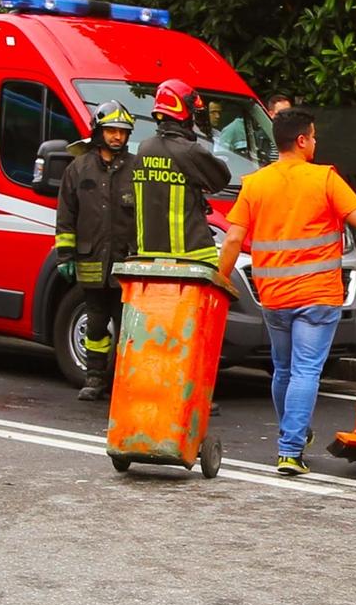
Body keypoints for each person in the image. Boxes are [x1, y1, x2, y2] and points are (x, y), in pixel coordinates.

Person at [215, 107, 356, 476]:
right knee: (305, 372)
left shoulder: (255, 183)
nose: (315, 142)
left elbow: (233, 237)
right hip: (317, 295)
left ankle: (292, 435)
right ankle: (290, 449)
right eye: (312, 136)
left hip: (273, 296)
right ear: (301, 140)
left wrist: (221, 280)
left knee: (283, 370)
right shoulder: (324, 178)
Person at [55, 100, 140, 401]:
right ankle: (94, 377)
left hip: (126, 264)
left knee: (129, 328)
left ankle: (124, 381)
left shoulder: (136, 168)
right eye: (112, 130)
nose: (117, 137)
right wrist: (65, 256)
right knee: (95, 324)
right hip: (91, 263)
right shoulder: (78, 169)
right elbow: (66, 215)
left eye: (123, 132)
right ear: (98, 130)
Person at [130, 79, 230, 267]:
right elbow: (221, 178)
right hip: (190, 257)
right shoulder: (189, 151)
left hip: (148, 257)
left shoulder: (144, 149)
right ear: (184, 112)